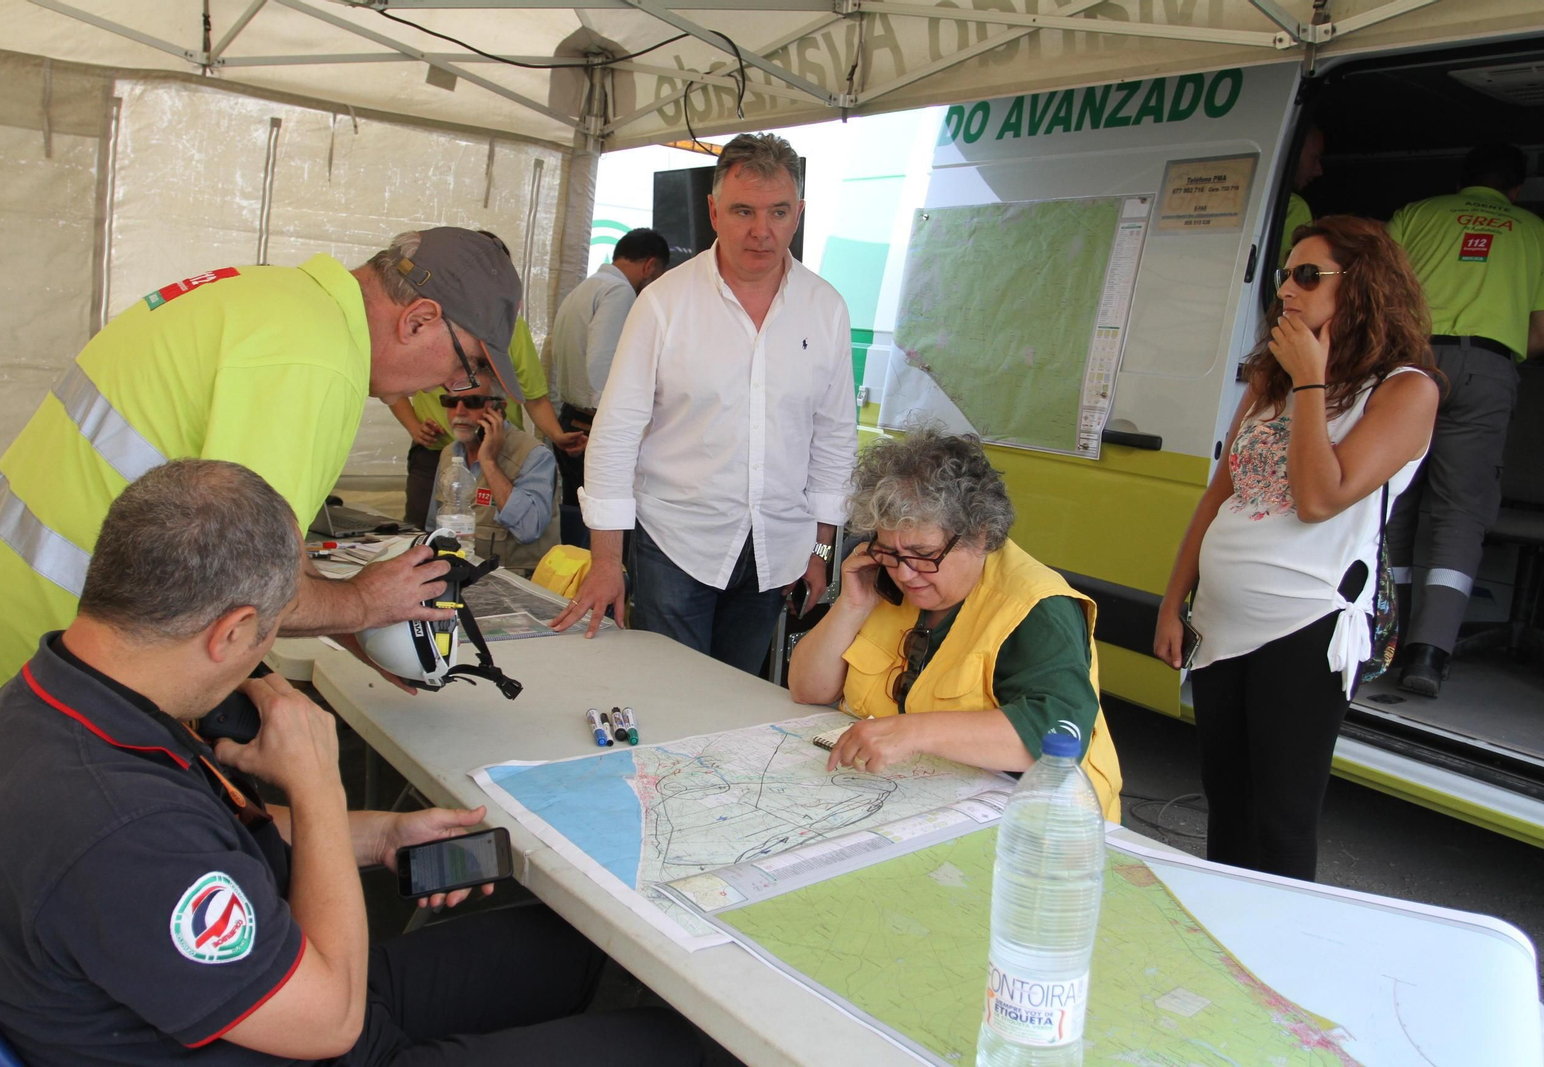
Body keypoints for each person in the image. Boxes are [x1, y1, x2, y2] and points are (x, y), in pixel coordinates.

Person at [0, 459, 701, 1067]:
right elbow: (332, 1021)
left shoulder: (55, 694)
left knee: (569, 945)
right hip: (306, 1021)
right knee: (669, 1046)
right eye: (267, 631)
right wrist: (315, 775)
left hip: (263, 990)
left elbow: (199, 832)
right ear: (232, 629)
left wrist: (377, 835)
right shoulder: (114, 826)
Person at [0, 227, 523, 845]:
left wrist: (353, 623)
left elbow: (273, 538)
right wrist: (363, 603)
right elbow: (238, 585)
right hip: (46, 654)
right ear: (419, 320)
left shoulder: (280, 301)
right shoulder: (313, 361)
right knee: (38, 902)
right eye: (468, 366)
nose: (450, 390)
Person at [1154, 216, 1439, 881]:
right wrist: (1174, 602)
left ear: (1363, 285)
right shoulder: (1269, 381)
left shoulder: (1404, 389)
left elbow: (1320, 495)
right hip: (1220, 626)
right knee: (1227, 806)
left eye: (1308, 276)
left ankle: (1274, 967)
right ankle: (1222, 950)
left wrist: (1311, 379)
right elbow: (1217, 498)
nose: (1287, 289)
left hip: (1303, 629)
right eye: (1285, 274)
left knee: (1280, 820)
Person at [553, 133, 859, 677]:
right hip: (676, 543)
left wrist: (819, 550)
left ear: (799, 214)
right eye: (743, 210)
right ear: (714, 211)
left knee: (738, 698)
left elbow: (834, 437)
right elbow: (617, 432)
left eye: (778, 212)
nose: (760, 230)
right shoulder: (663, 303)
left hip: (776, 550)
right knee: (669, 695)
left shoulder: (827, 308)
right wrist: (605, 560)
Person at [785, 428, 1123, 820]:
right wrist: (851, 605)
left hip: (1038, 823)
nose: (906, 574)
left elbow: (1059, 736)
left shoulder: (1035, 606)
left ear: (980, 536)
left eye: (923, 554)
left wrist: (911, 733)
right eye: (889, 551)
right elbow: (807, 689)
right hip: (913, 800)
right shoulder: (881, 580)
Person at [1385, 142, 1544, 697]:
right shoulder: (1533, 231)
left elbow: (1377, 294)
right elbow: (1540, 332)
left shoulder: (1416, 215)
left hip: (1411, 361)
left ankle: (1382, 639)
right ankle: (1428, 655)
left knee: (1394, 500)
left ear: (1462, 183)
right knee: (1461, 515)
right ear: (1516, 190)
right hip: (1488, 371)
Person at [392, 232, 586, 527]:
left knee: (494, 534)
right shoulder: (429, 317)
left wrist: (557, 437)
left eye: (473, 400)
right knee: (426, 533)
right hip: (439, 451)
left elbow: (532, 395)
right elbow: (388, 382)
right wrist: (414, 426)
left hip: (500, 447)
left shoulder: (510, 325)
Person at [547, 228, 671, 548]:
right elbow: (602, 368)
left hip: (570, 418)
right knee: (604, 530)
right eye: (658, 275)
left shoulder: (585, 288)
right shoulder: (619, 293)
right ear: (650, 266)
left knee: (580, 525)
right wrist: (615, 428)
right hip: (593, 425)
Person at [427, 369, 561, 574]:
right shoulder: (449, 454)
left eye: (473, 402)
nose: (459, 411)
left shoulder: (533, 455)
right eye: (451, 402)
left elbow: (528, 530)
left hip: (517, 582)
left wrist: (488, 462)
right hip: (460, 573)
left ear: (499, 409)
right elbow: (432, 528)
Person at [1279, 126, 1325, 266]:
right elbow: (1298, 272)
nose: (1319, 170)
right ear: (1294, 153)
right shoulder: (1294, 207)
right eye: (1314, 158)